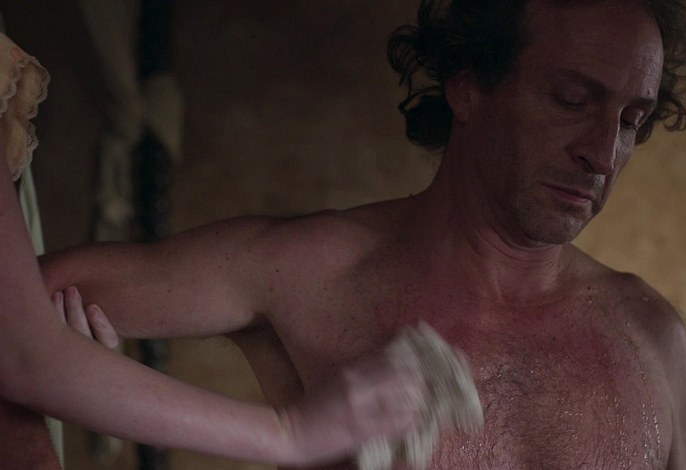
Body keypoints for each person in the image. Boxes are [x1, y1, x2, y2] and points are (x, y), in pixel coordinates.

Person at [42, 0, 686, 468]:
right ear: (468, 85)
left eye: (632, 121)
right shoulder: (313, 271)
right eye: (572, 101)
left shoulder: (652, 337)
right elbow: (19, 313)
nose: (603, 153)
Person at [0, 33, 433, 470]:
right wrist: (290, 434)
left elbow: (27, 333)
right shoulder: (312, 262)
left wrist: (75, 369)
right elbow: (23, 332)